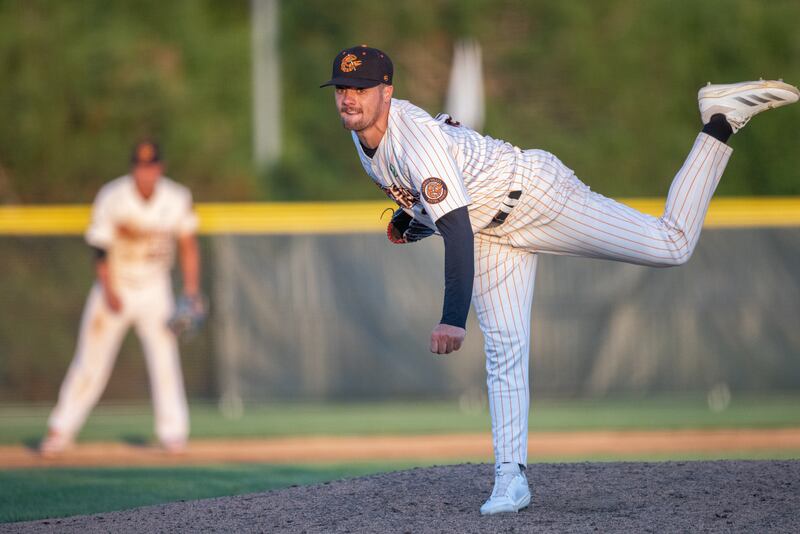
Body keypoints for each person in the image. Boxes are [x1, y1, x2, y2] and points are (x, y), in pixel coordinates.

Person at [320, 45, 799, 515]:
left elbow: (455, 227)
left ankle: (720, 119)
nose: (349, 98)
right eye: (342, 88)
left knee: (672, 245)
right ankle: (510, 479)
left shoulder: (414, 137)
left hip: (535, 195)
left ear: (387, 91)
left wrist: (452, 318)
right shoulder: (364, 138)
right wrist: (412, 221)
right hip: (492, 233)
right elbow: (445, 200)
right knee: (505, 348)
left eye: (361, 88)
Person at [39, 141, 203, 456]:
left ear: (160, 167)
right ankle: (60, 429)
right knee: (91, 361)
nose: (146, 172)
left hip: (156, 286)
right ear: (133, 168)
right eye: (140, 166)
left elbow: (188, 244)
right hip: (115, 284)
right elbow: (100, 249)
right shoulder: (113, 196)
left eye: (151, 165)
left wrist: (191, 290)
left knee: (165, 358)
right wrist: (109, 290)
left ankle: (173, 433)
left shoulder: (176, 197)